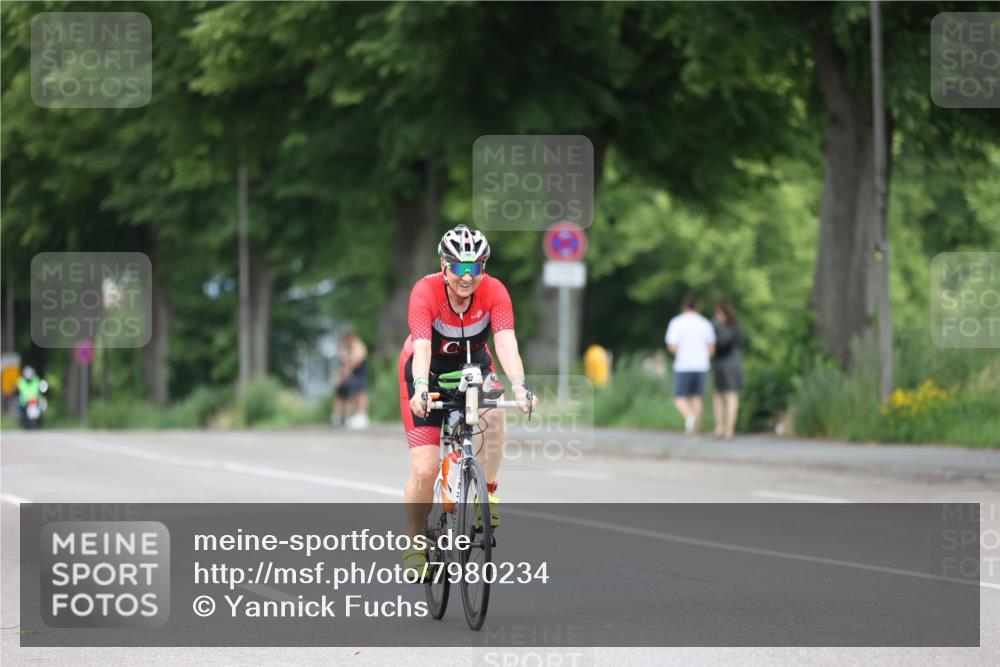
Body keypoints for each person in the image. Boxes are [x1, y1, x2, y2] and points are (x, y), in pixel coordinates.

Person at [398, 224, 536, 577]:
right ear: (444, 266)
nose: (466, 277)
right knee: (425, 468)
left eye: (474, 267)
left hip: (474, 367)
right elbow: (422, 346)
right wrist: (419, 388)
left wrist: (520, 386)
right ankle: (415, 543)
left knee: (496, 414)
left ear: (483, 267)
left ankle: (486, 493)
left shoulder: (494, 291)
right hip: (426, 371)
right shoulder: (425, 291)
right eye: (459, 267)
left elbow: (505, 342)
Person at [665, 294, 716, 435]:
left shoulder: (677, 322)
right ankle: (695, 429)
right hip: (701, 365)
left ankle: (689, 417)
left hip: (683, 365)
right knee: (697, 397)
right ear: (697, 306)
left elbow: (671, 346)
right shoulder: (705, 323)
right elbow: (711, 348)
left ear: (684, 306)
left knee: (679, 397)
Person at [711, 299, 745, 440]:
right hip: (734, 362)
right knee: (729, 396)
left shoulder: (719, 326)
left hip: (725, 362)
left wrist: (716, 326)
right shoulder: (737, 325)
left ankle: (723, 428)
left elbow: (722, 343)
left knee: (723, 395)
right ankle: (727, 429)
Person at [331, 331, 369, 429]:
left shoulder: (358, 345)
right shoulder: (346, 346)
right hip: (350, 373)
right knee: (348, 395)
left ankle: (362, 415)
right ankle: (343, 417)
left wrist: (347, 369)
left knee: (360, 392)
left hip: (358, 372)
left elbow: (357, 360)